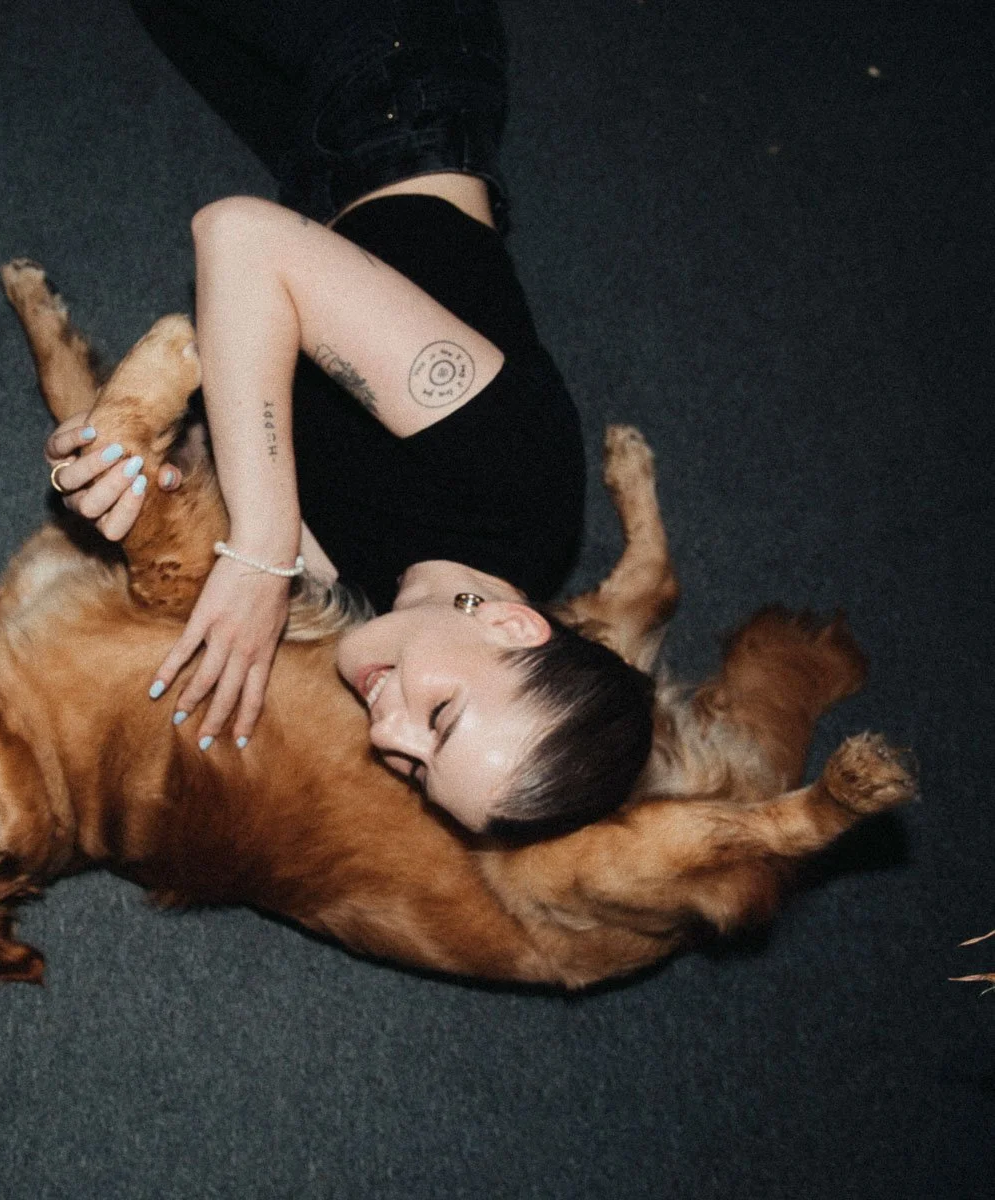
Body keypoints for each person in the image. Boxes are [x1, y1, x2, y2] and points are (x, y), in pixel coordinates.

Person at [43, 0, 655, 837]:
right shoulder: (516, 475)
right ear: (511, 626)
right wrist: (261, 550)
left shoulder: (383, 597)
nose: (388, 735)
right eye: (440, 718)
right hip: (395, 68)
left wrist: (123, 460)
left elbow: (238, 424)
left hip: (323, 167)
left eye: (417, 770)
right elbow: (241, 239)